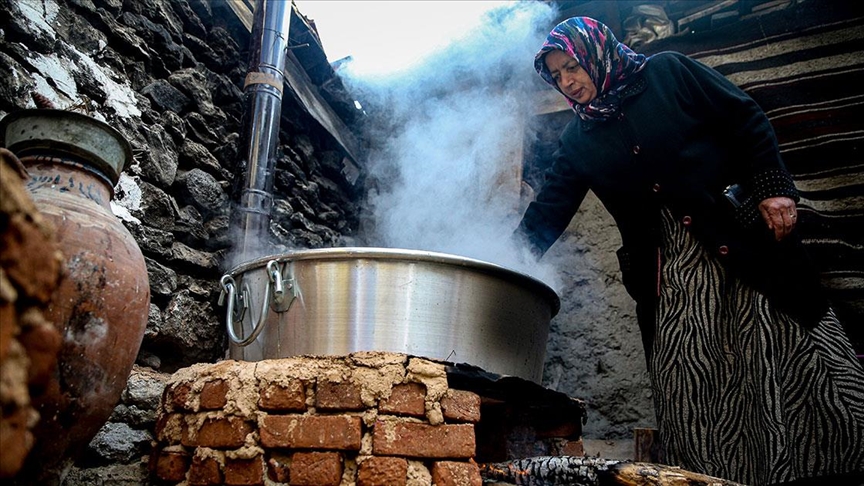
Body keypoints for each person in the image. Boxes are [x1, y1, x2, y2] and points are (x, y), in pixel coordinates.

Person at [515, 16, 864, 486]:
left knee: (786, 354)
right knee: (693, 380)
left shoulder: (668, 72)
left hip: (744, 249)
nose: (568, 82)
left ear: (597, 54)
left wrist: (772, 185)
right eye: (556, 76)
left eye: (572, 67)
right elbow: (547, 212)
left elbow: (744, 115)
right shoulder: (578, 142)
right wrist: (505, 263)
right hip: (671, 277)